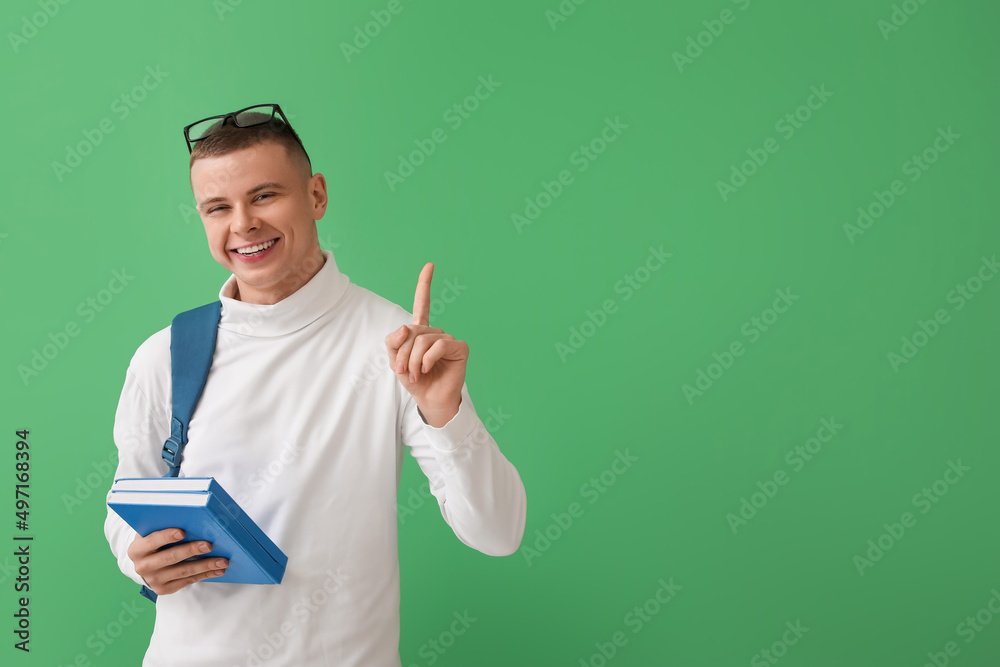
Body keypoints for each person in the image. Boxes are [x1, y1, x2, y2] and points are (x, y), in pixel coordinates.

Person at [103, 104, 527, 667]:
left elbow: (497, 533)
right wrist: (138, 560)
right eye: (217, 208)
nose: (243, 225)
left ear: (317, 196)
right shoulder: (166, 355)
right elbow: (125, 509)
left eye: (264, 196)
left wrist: (446, 415)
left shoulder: (397, 347)